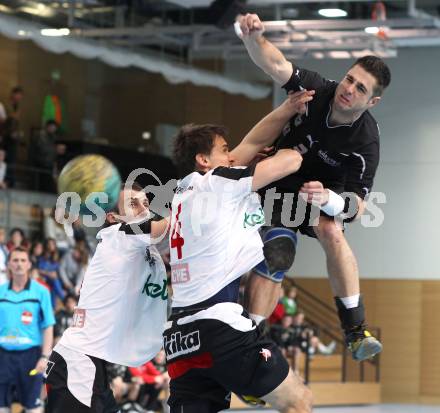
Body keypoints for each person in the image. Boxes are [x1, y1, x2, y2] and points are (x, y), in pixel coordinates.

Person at [236, 13, 391, 361]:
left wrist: (331, 200)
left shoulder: (366, 142)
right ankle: (251, 344)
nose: (349, 90)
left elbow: (359, 205)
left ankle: (354, 328)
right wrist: (253, 39)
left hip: (320, 195)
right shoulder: (317, 89)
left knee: (333, 232)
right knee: (278, 254)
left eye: (361, 88)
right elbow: (276, 64)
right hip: (277, 183)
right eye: (350, 79)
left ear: (372, 101)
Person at [164, 93, 312, 413]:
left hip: (179, 338)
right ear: (204, 160)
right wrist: (295, 143)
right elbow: (291, 162)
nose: (232, 156)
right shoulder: (218, 181)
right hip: (219, 327)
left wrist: (286, 108)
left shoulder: (180, 197)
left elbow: (251, 142)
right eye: (224, 150)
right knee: (297, 401)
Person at [45, 182, 170, 413]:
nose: (143, 210)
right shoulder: (120, 235)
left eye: (145, 203)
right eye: (133, 204)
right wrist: (190, 195)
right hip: (77, 363)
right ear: (114, 217)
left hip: (92, 364)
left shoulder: (137, 248)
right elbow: (167, 226)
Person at [0, 247, 55, 413]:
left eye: (23, 260)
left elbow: (48, 326)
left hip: (31, 357)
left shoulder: (41, 292)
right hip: (3, 356)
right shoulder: (1, 291)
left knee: (33, 407)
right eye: (15, 260)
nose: (19, 264)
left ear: (29, 264)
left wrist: (45, 356)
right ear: (8, 264)